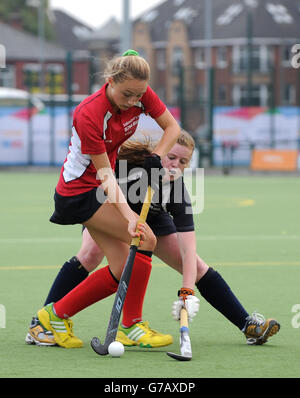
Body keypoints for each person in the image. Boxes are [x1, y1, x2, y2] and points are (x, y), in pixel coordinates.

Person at [27, 130, 280, 348]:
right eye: (171, 157)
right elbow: (99, 177)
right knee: (90, 254)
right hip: (110, 209)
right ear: (160, 153)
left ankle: (248, 325)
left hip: (153, 221)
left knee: (196, 266)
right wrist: (124, 217)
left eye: (183, 162)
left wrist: (187, 292)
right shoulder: (130, 166)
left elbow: (188, 249)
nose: (175, 166)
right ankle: (42, 323)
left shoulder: (177, 192)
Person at [27, 49, 182, 348]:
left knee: (122, 263)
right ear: (110, 81)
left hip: (97, 188)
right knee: (145, 239)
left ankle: (54, 316)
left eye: (138, 96)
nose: (133, 101)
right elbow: (105, 176)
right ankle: (132, 325)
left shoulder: (140, 92)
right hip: (80, 192)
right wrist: (129, 218)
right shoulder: (90, 112)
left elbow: (173, 128)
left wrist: (156, 157)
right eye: (126, 94)